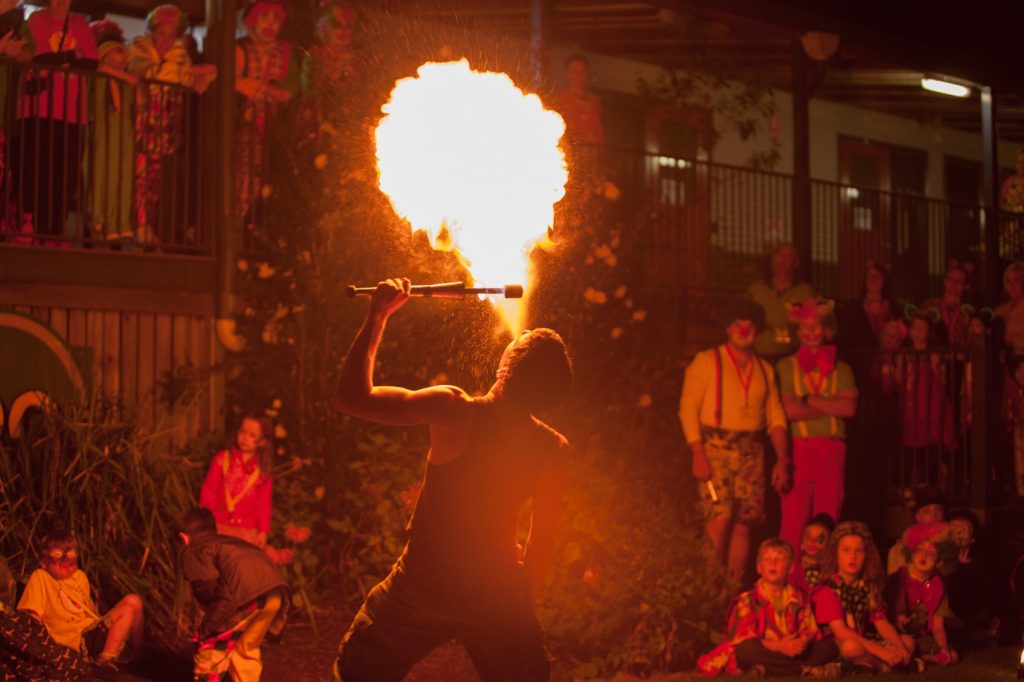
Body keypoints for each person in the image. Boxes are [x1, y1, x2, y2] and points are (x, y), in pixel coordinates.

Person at [330, 277, 572, 682]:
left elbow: (350, 398)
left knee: (357, 673)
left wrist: (378, 314)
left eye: (520, 337)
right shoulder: (553, 449)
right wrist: (513, 604)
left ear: (506, 367)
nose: (518, 332)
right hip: (495, 588)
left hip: (424, 582)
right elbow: (541, 542)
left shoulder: (453, 409)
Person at [679, 297, 789, 583]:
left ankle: (731, 592)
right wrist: (697, 451)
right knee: (719, 520)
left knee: (744, 524)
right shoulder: (706, 361)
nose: (744, 329)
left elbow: (776, 416)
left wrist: (783, 459)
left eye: (749, 324)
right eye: (738, 323)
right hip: (715, 448)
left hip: (752, 452)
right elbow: (687, 408)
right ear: (728, 327)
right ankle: (709, 592)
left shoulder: (765, 370)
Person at [128, 3, 216, 245]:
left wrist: (195, 75)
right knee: (140, 179)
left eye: (171, 34)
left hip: (166, 130)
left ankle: (147, 232)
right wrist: (185, 74)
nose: (166, 39)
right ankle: (141, 227)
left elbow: (206, 73)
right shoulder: (139, 50)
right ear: (152, 32)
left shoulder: (180, 58)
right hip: (142, 128)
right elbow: (149, 76)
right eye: (161, 32)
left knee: (155, 184)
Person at [12, 0, 97, 243]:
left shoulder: (80, 24)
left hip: (72, 111)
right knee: (36, 167)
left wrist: (52, 59)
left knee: (65, 172)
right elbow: (31, 56)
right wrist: (71, 55)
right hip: (37, 107)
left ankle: (54, 230)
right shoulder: (36, 20)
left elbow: (91, 62)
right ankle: (30, 225)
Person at [776, 298, 857, 552]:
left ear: (827, 329)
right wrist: (829, 404)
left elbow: (849, 408)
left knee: (827, 518)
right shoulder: (785, 367)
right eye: (805, 326)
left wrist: (808, 400)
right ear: (797, 331)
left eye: (817, 326)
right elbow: (788, 411)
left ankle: (823, 583)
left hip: (832, 450)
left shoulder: (842, 368)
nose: (811, 332)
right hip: (799, 449)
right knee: (793, 520)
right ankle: (788, 582)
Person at [696, 538, 839, 677]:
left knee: (828, 647)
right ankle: (803, 671)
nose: (773, 563)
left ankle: (768, 670)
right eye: (767, 559)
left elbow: (809, 628)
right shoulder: (747, 600)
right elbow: (743, 637)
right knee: (746, 650)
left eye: (779, 559)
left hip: (793, 652)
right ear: (759, 567)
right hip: (766, 650)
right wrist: (779, 646)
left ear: (790, 568)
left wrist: (801, 643)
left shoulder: (799, 597)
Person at [177, 507, 289, 681]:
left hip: (245, 596)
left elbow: (208, 586)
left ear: (183, 538)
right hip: (275, 592)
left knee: (211, 646)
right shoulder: (227, 543)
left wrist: (208, 625)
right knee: (245, 648)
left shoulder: (195, 549)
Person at [17, 530, 144, 669]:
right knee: (130, 602)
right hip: (78, 640)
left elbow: (87, 610)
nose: (66, 560)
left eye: (71, 555)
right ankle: (104, 661)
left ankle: (137, 656)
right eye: (57, 556)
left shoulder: (79, 577)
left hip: (93, 630)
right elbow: (32, 616)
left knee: (135, 601)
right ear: (44, 562)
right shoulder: (41, 577)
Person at [811, 521, 914, 672]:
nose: (853, 556)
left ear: (867, 555)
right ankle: (882, 665)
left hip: (864, 638)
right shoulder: (827, 589)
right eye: (846, 550)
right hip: (838, 644)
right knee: (851, 647)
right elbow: (840, 632)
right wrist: (882, 652)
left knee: (907, 642)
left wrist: (900, 648)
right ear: (836, 554)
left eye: (859, 551)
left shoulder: (866, 587)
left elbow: (881, 622)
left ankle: (877, 662)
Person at [235, 0, 300, 225]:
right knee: (243, 178)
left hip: (274, 127)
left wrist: (260, 88)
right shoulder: (240, 48)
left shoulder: (286, 52)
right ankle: (233, 227)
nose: (270, 24)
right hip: (244, 124)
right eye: (265, 17)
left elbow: (288, 92)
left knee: (264, 179)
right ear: (252, 21)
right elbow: (232, 81)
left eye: (275, 18)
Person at [87, 18, 137, 242]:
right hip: (103, 133)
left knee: (123, 175)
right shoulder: (99, 77)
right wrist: (124, 76)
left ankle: (120, 220)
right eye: (112, 57)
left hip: (123, 134)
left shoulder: (127, 84)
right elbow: (97, 66)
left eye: (121, 58)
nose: (118, 62)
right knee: (101, 172)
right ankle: (99, 218)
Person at [883, 522, 959, 666]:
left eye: (931, 553)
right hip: (897, 637)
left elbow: (938, 627)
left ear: (940, 562)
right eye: (919, 549)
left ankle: (922, 658)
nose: (924, 555)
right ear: (910, 552)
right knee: (908, 645)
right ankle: (919, 658)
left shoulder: (938, 586)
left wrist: (943, 649)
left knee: (952, 656)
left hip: (922, 637)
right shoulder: (897, 579)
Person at [199, 412, 274, 547]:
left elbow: (263, 503)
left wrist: (263, 531)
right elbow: (209, 489)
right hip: (218, 525)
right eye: (242, 431)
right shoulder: (222, 459)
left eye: (252, 435)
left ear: (262, 442)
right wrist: (207, 518)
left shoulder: (262, 471)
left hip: (247, 531)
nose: (245, 438)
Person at [747, 243, 817, 363]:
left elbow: (821, 324)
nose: (783, 258)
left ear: (796, 262)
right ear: (772, 259)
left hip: (793, 359)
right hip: (758, 357)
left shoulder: (805, 292)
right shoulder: (755, 290)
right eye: (779, 254)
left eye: (788, 255)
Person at [836, 260, 895, 357]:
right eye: (870, 275)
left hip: (887, 361)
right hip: (859, 361)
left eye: (877, 276)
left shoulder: (893, 309)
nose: (873, 279)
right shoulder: (852, 308)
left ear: (884, 281)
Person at [887, 486, 946, 575]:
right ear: (918, 516)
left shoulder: (952, 545)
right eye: (926, 511)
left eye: (938, 509)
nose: (934, 515)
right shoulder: (899, 551)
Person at [922, 262, 971, 353]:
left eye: (959, 281)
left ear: (966, 286)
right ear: (945, 281)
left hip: (960, 360)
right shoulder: (930, 306)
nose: (954, 284)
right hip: (932, 357)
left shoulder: (967, 312)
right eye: (951, 279)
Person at [792, 513, 835, 592]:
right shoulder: (792, 570)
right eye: (808, 537)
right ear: (802, 543)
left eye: (820, 539)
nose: (812, 542)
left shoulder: (833, 574)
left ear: (829, 544)